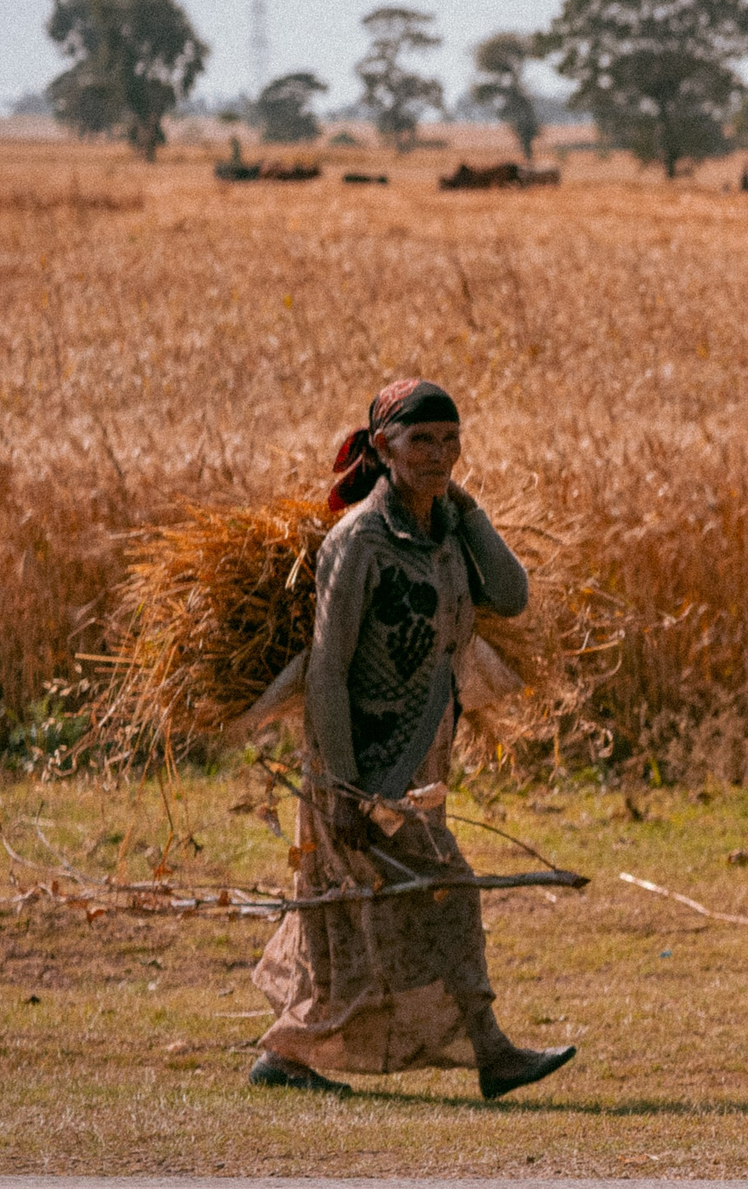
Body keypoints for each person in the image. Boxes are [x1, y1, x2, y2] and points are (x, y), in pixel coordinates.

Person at [249, 380, 577, 1101]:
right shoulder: (358, 541)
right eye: (422, 440)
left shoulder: (447, 531)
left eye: (451, 440)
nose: (440, 453)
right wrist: (339, 786)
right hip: (359, 759)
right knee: (442, 890)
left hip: (423, 755)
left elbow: (511, 593)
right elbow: (330, 670)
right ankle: (492, 1051)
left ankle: (287, 1054)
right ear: (381, 449)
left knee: (345, 914)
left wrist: (465, 506)